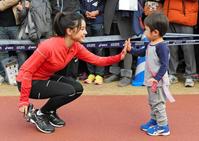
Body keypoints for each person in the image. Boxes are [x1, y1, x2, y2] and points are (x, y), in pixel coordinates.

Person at [17, 12, 128, 134]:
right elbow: (27, 72)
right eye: (82, 29)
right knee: (68, 91)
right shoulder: (48, 46)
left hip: (44, 78)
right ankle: (39, 114)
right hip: (26, 82)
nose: (85, 32)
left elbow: (97, 60)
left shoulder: (75, 46)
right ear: (69, 31)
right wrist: (24, 100)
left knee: (77, 88)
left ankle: (48, 111)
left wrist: (119, 57)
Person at [125, 12, 173, 136]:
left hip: (158, 82)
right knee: (152, 102)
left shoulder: (161, 47)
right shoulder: (151, 44)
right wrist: (131, 50)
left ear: (155, 32)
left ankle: (163, 126)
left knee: (158, 103)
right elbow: (141, 53)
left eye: (146, 30)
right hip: (151, 81)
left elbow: (164, 66)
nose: (144, 32)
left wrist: (156, 79)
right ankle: (154, 120)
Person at [163, 0, 198, 87]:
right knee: (171, 48)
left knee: (187, 48)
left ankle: (190, 75)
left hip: (185, 17)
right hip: (168, 17)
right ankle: (172, 74)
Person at [103, 0, 134, 87]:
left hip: (126, 16)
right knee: (112, 46)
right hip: (110, 16)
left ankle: (127, 75)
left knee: (127, 46)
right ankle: (115, 72)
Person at [79, 0, 105, 85]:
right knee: (88, 49)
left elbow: (105, 4)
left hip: (98, 22)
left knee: (99, 49)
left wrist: (97, 12)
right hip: (86, 22)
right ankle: (91, 73)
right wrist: (85, 12)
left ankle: (99, 74)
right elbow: (79, 5)